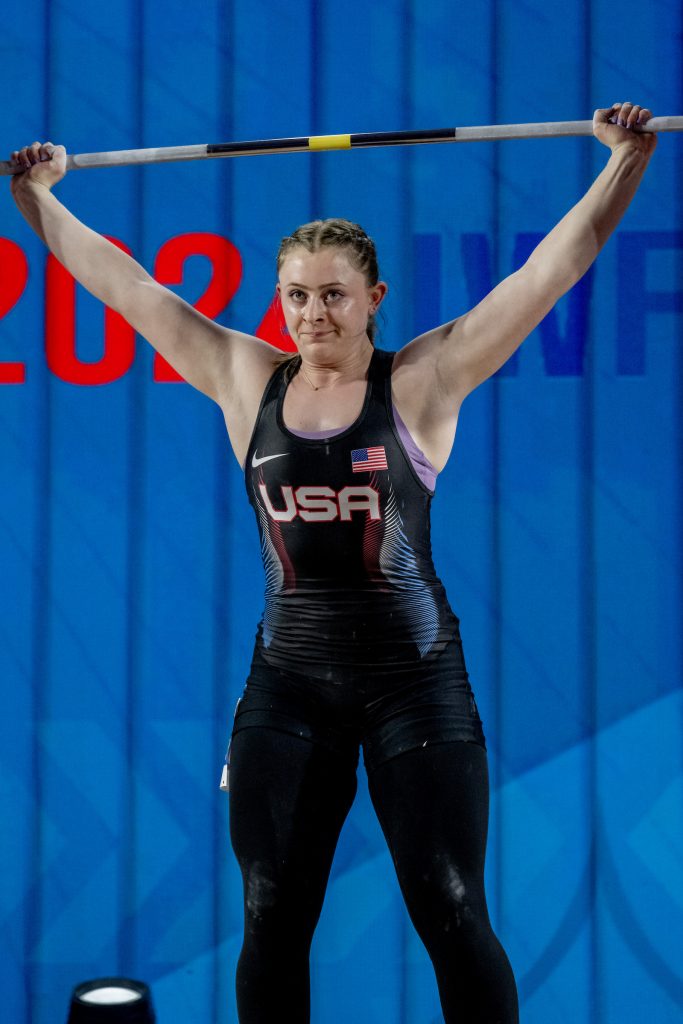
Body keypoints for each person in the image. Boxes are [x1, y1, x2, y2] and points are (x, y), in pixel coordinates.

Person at [9, 102, 656, 1024]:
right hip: (288, 687)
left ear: (374, 297)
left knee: (453, 910)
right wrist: (37, 198)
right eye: (297, 295)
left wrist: (624, 160)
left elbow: (549, 271)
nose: (313, 313)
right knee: (270, 915)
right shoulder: (244, 378)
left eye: (334, 295)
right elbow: (127, 288)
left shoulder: (424, 380)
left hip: (414, 684)